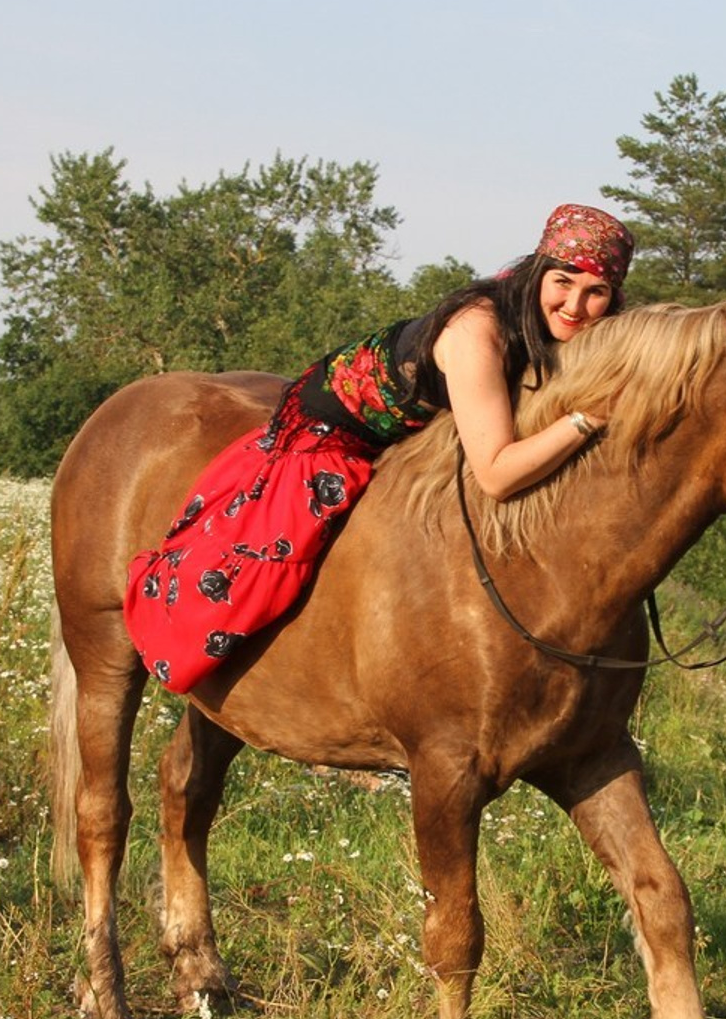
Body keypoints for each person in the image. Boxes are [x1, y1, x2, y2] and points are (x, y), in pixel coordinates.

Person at [124, 203, 634, 693]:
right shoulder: (478, 331)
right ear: (537, 274)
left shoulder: (556, 327)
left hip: (408, 433)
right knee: (260, 577)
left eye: (596, 292)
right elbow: (498, 476)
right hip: (329, 433)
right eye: (563, 282)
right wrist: (587, 419)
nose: (575, 305)